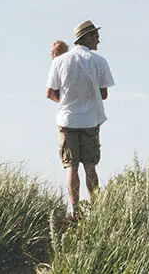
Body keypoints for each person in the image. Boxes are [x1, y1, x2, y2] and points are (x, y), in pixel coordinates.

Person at [46, 20, 114, 221]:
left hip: (67, 119)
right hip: (91, 120)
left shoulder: (59, 61)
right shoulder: (99, 61)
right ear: (87, 37)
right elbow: (104, 94)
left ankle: (75, 209)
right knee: (90, 166)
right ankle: (96, 211)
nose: (98, 40)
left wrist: (65, 101)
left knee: (71, 166)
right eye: (95, 36)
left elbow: (50, 92)